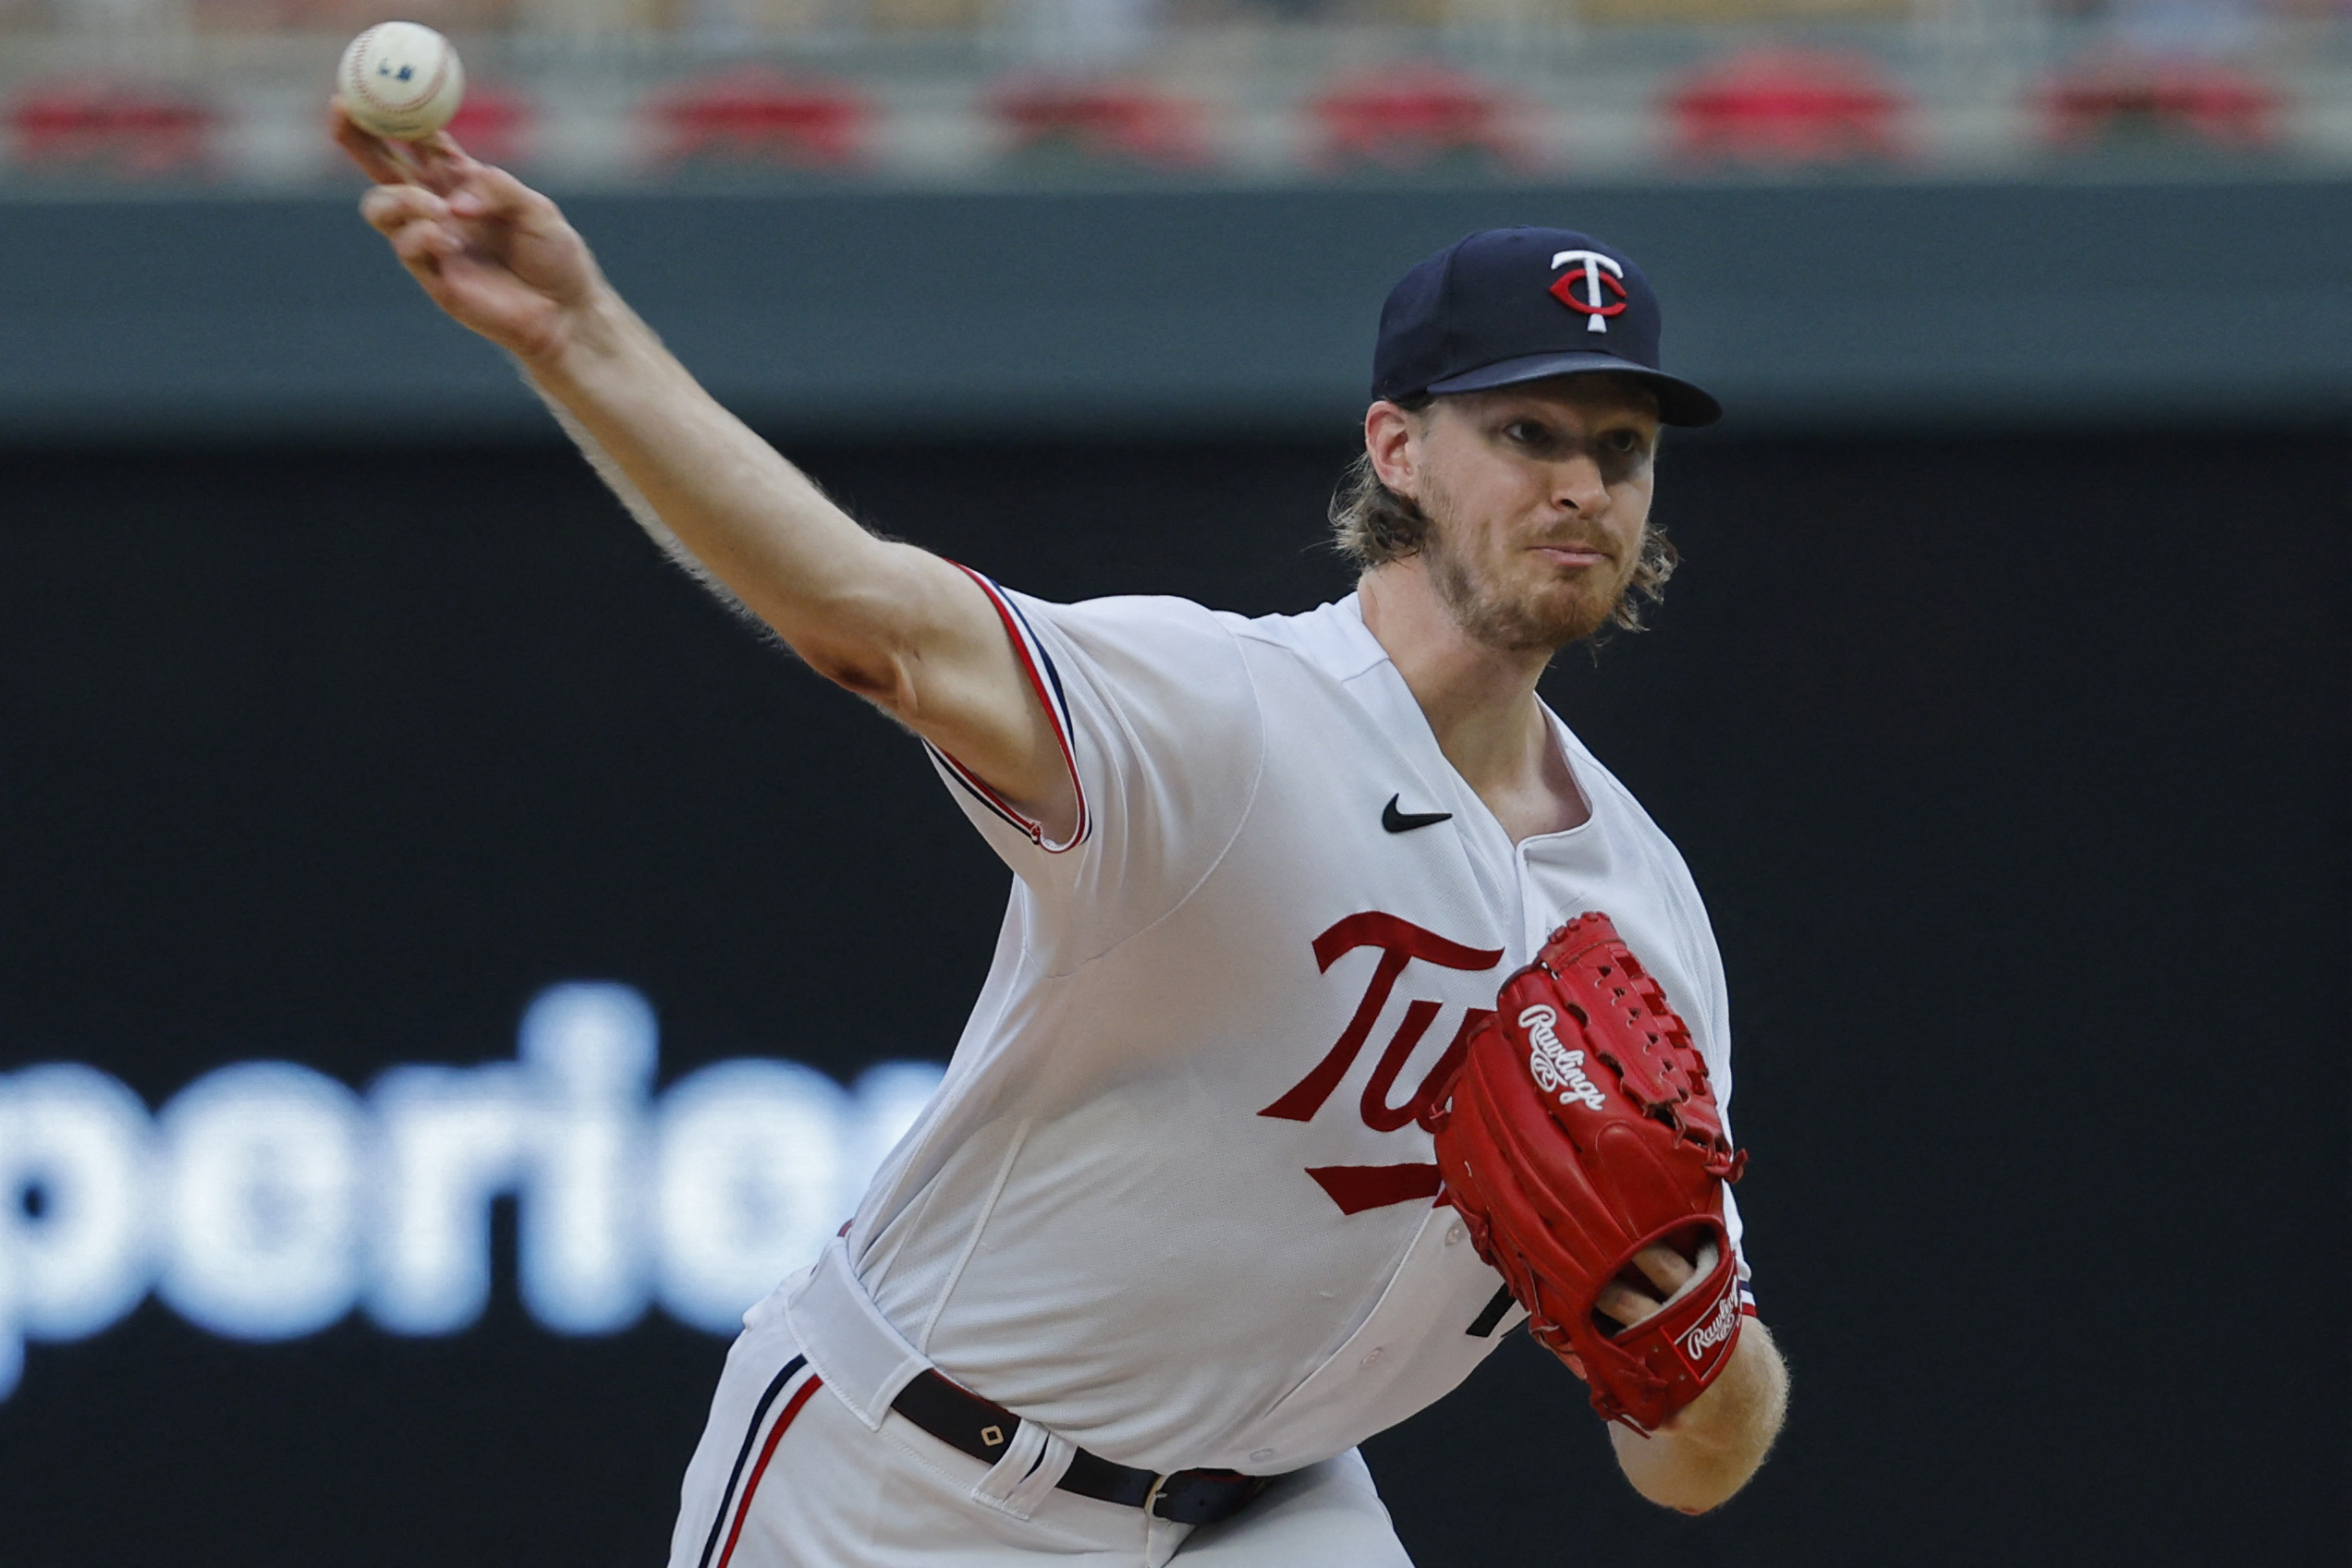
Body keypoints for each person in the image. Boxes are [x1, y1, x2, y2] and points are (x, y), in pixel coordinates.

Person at [335, 110, 1791, 1568]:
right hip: (913, 1479)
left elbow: (1687, 1466)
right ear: (1397, 449)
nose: (1581, 485)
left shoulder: (1642, 911)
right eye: (1525, 430)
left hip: (1273, 1510)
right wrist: (577, 336)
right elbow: (871, 622)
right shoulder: (1230, 716)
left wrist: (1692, 1338)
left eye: (1622, 446)